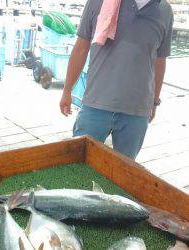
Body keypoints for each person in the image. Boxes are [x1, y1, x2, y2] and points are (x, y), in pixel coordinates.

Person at [60, 0, 173, 160]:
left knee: (124, 170)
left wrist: (155, 101)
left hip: (137, 112)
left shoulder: (165, 10)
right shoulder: (97, 3)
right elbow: (81, 48)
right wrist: (67, 90)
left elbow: (160, 60)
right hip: (95, 105)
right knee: (78, 163)